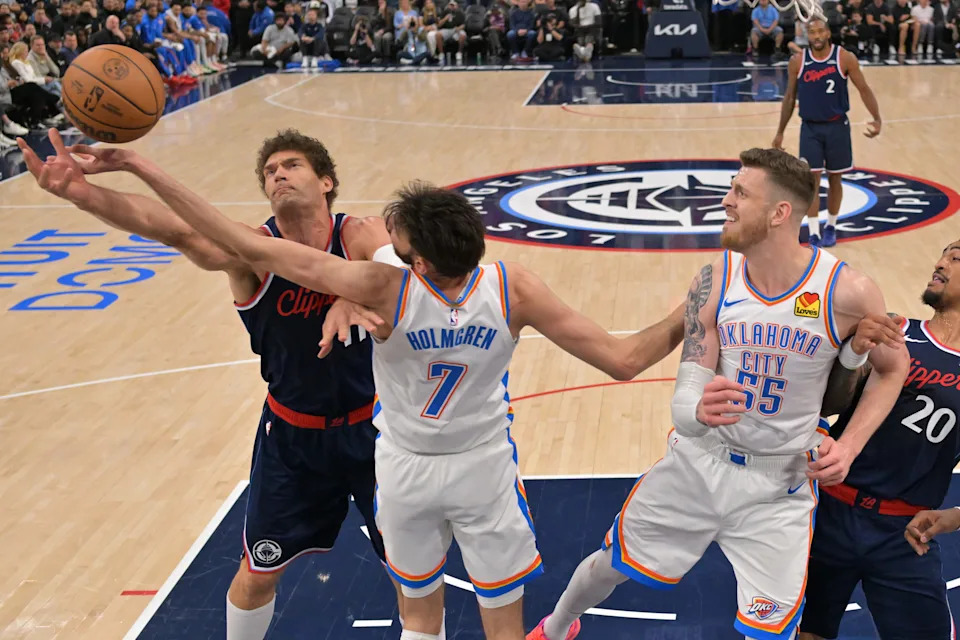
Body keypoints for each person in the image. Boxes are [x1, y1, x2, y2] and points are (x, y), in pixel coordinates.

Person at [65, 145, 699, 640]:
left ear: (416, 262)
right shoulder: (513, 288)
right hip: (482, 470)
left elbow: (245, 242)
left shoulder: (383, 290)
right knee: (502, 623)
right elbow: (624, 359)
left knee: (419, 620)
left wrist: (138, 163)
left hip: (402, 472)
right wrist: (693, 306)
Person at [15, 128, 410, 640]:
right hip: (293, 439)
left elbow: (396, 265)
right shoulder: (252, 252)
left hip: (375, 431)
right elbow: (173, 229)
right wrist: (83, 193)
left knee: (410, 568)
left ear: (326, 181)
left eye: (291, 165)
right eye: (270, 172)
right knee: (257, 574)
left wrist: (352, 290)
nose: (278, 175)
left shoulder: (357, 233)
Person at [526, 148, 909, 640]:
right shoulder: (715, 279)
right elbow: (689, 390)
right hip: (701, 463)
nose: (726, 201)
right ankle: (556, 628)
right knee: (609, 565)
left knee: (772, 632)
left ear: (779, 213)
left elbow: (891, 369)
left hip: (780, 483)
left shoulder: (847, 291)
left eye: (739, 193)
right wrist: (696, 410)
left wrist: (850, 446)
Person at [799, 243, 960, 640]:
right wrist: (854, 354)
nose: (939, 262)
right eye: (941, 254)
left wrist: (953, 518)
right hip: (827, 512)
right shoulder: (896, 331)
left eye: (956, 258)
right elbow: (828, 404)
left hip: (903, 532)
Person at [772, 17, 881, 249]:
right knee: (811, 181)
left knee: (835, 178)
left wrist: (877, 117)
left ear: (829, 32)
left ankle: (831, 225)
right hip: (810, 127)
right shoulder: (798, 61)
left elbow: (863, 88)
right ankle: (813, 231)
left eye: (821, 31)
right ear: (807, 35)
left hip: (837, 126)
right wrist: (780, 131)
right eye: (813, 33)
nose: (817, 36)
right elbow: (790, 97)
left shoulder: (844, 58)